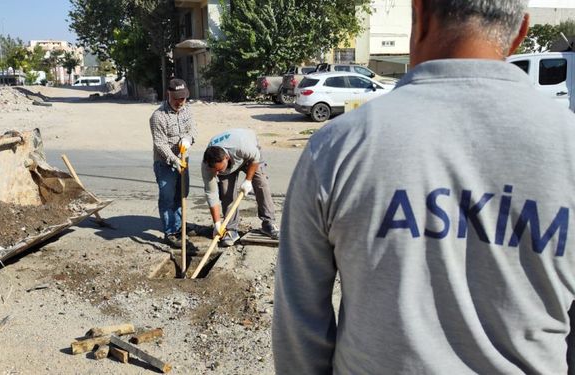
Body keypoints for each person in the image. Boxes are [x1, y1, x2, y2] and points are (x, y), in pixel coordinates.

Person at [273, 0, 575, 373]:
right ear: (522, 32)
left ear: (419, 14)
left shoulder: (339, 147)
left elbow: (299, 323)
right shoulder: (567, 145)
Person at [201, 128, 279, 247]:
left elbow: (255, 158)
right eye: (214, 171)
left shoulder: (243, 146)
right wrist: (217, 223)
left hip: (250, 157)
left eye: (219, 170)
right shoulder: (207, 166)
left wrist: (248, 180)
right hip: (231, 161)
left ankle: (268, 223)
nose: (216, 174)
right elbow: (211, 194)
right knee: (226, 192)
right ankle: (231, 229)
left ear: (226, 158)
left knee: (261, 184)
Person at [150, 78, 196, 248]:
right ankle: (171, 232)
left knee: (182, 194)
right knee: (167, 198)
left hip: (184, 160)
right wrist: (175, 160)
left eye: (183, 98)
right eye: (176, 98)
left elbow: (193, 129)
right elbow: (160, 144)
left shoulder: (187, 110)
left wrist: (188, 139)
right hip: (165, 163)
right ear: (168, 94)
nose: (180, 102)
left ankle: (179, 225)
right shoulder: (158, 116)